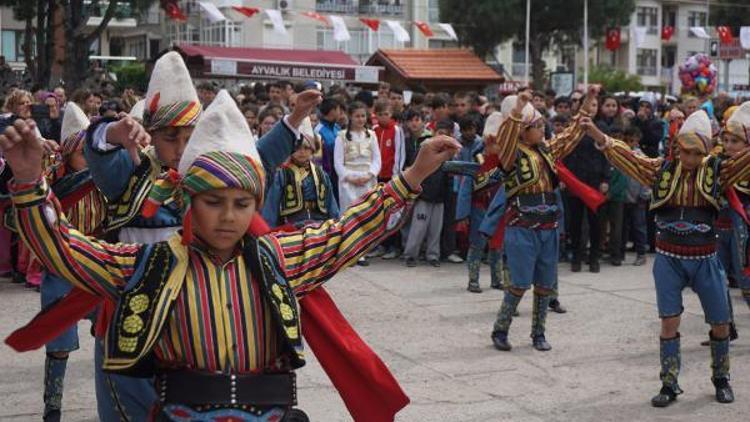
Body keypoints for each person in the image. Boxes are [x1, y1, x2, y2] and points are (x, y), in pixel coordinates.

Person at [83, 51, 321, 421]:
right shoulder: (129, 174)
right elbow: (96, 149)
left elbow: (259, 156)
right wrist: (113, 130)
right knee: (128, 410)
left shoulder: (210, 175)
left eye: (190, 137)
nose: (180, 148)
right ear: (150, 134)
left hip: (193, 316)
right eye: (169, 137)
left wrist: (294, 119)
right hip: (136, 314)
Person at [586, 109, 750, 407]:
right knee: (669, 322)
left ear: (704, 150)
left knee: (720, 322)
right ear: (676, 148)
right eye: (684, 151)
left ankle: (721, 378)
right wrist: (598, 136)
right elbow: (629, 158)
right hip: (668, 258)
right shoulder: (660, 169)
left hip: (705, 258)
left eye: (696, 153)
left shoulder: (718, 171)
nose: (689, 158)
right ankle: (669, 382)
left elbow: (745, 159)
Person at [488, 86, 596, 352]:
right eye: (537, 125)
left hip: (548, 226)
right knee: (520, 283)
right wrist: (518, 108)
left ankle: (538, 333)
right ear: (524, 130)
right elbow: (507, 136)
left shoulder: (546, 150)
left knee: (545, 284)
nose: (543, 129)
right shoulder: (511, 154)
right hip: (522, 226)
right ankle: (500, 329)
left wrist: (590, 100)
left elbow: (571, 133)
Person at [39, 102, 107, 422]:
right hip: (61, 267)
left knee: (111, 331)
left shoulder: (103, 181)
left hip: (95, 264)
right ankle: (52, 407)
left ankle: (112, 397)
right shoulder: (53, 182)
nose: (89, 160)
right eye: (82, 153)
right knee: (59, 343)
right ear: (68, 154)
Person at [262, 117, 339, 228]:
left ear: (312, 150)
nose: (302, 152)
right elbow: (272, 206)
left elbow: (331, 204)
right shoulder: (282, 175)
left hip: (319, 225)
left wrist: (335, 224)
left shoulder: (321, 174)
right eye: (297, 148)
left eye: (306, 148)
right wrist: (268, 230)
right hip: (292, 225)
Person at [455, 116, 502, 293]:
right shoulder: (477, 159)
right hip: (479, 209)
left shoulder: (506, 160)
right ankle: (473, 280)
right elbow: (465, 189)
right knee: (477, 244)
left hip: (498, 208)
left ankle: (497, 280)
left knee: (497, 246)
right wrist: (463, 215)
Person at [563, 95, 609, 273]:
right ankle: (576, 256)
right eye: (589, 104)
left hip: (595, 181)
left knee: (596, 222)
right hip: (575, 179)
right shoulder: (573, 126)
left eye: (596, 104)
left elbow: (608, 154)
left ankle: (594, 257)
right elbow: (565, 152)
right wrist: (564, 179)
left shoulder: (602, 127)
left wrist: (605, 179)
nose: (592, 107)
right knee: (575, 222)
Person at [334, 102, 381, 266]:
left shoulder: (371, 135)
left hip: (367, 180)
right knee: (349, 216)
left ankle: (363, 252)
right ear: (350, 117)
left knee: (366, 216)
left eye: (363, 116)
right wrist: (349, 177)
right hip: (349, 182)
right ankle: (349, 252)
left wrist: (370, 174)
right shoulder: (341, 136)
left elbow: (377, 159)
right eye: (357, 116)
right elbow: (338, 162)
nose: (360, 119)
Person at [402, 119, 450, 268]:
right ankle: (410, 255)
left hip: (439, 197)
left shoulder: (449, 153)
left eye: (446, 135)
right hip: (423, 195)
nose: (442, 137)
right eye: (440, 133)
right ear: (434, 133)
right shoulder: (424, 148)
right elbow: (416, 170)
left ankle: (433, 255)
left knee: (435, 229)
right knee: (418, 227)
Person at [371, 100, 406, 259]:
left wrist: (395, 176)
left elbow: (399, 154)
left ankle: (393, 246)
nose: (384, 117)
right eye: (381, 114)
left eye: (387, 114)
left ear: (391, 115)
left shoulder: (396, 130)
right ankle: (380, 245)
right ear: (375, 115)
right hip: (376, 176)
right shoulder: (373, 130)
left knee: (393, 211)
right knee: (378, 213)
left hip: (390, 176)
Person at [620, 126, 649, 266]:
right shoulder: (621, 155)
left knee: (639, 226)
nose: (631, 144)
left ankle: (641, 253)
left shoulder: (641, 157)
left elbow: (646, 178)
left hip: (638, 197)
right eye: (628, 140)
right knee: (623, 226)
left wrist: (644, 195)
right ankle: (620, 252)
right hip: (624, 196)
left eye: (634, 141)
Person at [315, 98, 342, 200]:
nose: (340, 113)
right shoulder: (318, 130)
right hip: (327, 172)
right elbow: (317, 157)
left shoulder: (337, 127)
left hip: (338, 171)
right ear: (332, 111)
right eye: (338, 110)